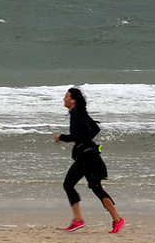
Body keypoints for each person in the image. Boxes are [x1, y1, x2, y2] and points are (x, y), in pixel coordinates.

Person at [53, 86, 123, 233]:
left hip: (88, 157)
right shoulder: (79, 113)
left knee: (96, 188)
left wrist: (61, 137)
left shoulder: (77, 115)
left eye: (66, 97)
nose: (63, 99)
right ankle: (77, 220)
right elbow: (95, 129)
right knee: (68, 184)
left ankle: (117, 219)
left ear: (73, 100)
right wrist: (86, 141)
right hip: (84, 156)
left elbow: (75, 136)